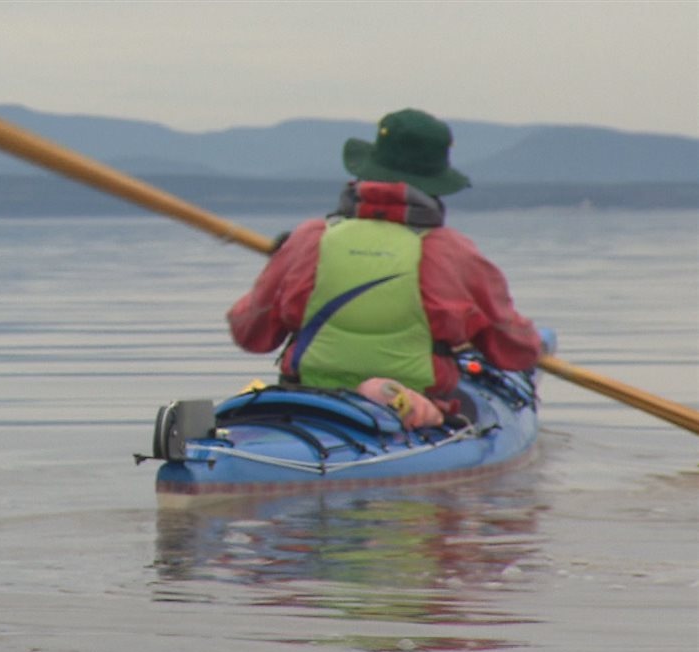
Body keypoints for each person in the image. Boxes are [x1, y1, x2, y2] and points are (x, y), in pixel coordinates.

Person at [227, 108, 541, 424]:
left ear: (366, 173)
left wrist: (283, 265)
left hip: (307, 403)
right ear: (435, 186)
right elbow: (517, 352)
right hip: (415, 409)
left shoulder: (310, 239)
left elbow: (250, 334)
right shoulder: (453, 252)